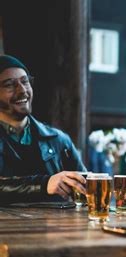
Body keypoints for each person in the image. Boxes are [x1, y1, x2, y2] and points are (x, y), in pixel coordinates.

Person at [0, 55, 87, 204]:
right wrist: (45, 184)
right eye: (9, 84)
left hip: (55, 227)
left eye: (25, 81)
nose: (22, 90)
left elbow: (84, 187)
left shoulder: (59, 140)